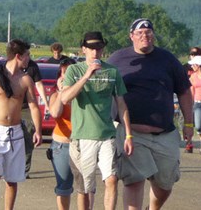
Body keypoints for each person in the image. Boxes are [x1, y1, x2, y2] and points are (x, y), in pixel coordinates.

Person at [107, 18, 193, 210]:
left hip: (165, 133)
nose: (144, 36)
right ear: (131, 36)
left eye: (148, 32)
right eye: (139, 33)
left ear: (153, 35)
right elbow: (104, 87)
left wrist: (188, 124)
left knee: (165, 183)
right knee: (134, 180)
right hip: (132, 133)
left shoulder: (168, 60)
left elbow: (185, 92)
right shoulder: (117, 59)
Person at [60, 31, 133, 210]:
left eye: (99, 48)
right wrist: (87, 75)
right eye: (91, 48)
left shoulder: (112, 72)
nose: (95, 52)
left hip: (107, 134)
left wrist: (129, 135)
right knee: (85, 188)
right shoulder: (74, 70)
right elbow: (65, 98)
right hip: (83, 136)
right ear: (83, 49)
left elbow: (122, 105)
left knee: (112, 179)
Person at [0, 39, 42, 210]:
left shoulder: (26, 80)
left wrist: (38, 131)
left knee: (12, 180)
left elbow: (34, 106)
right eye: (27, 55)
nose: (29, 58)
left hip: (15, 133)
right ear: (19, 56)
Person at [48, 58, 94, 210]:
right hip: (62, 144)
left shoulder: (83, 95)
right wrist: (62, 93)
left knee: (85, 187)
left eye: (70, 72)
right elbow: (55, 113)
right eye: (63, 72)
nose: (66, 75)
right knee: (64, 187)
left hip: (83, 143)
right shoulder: (55, 95)